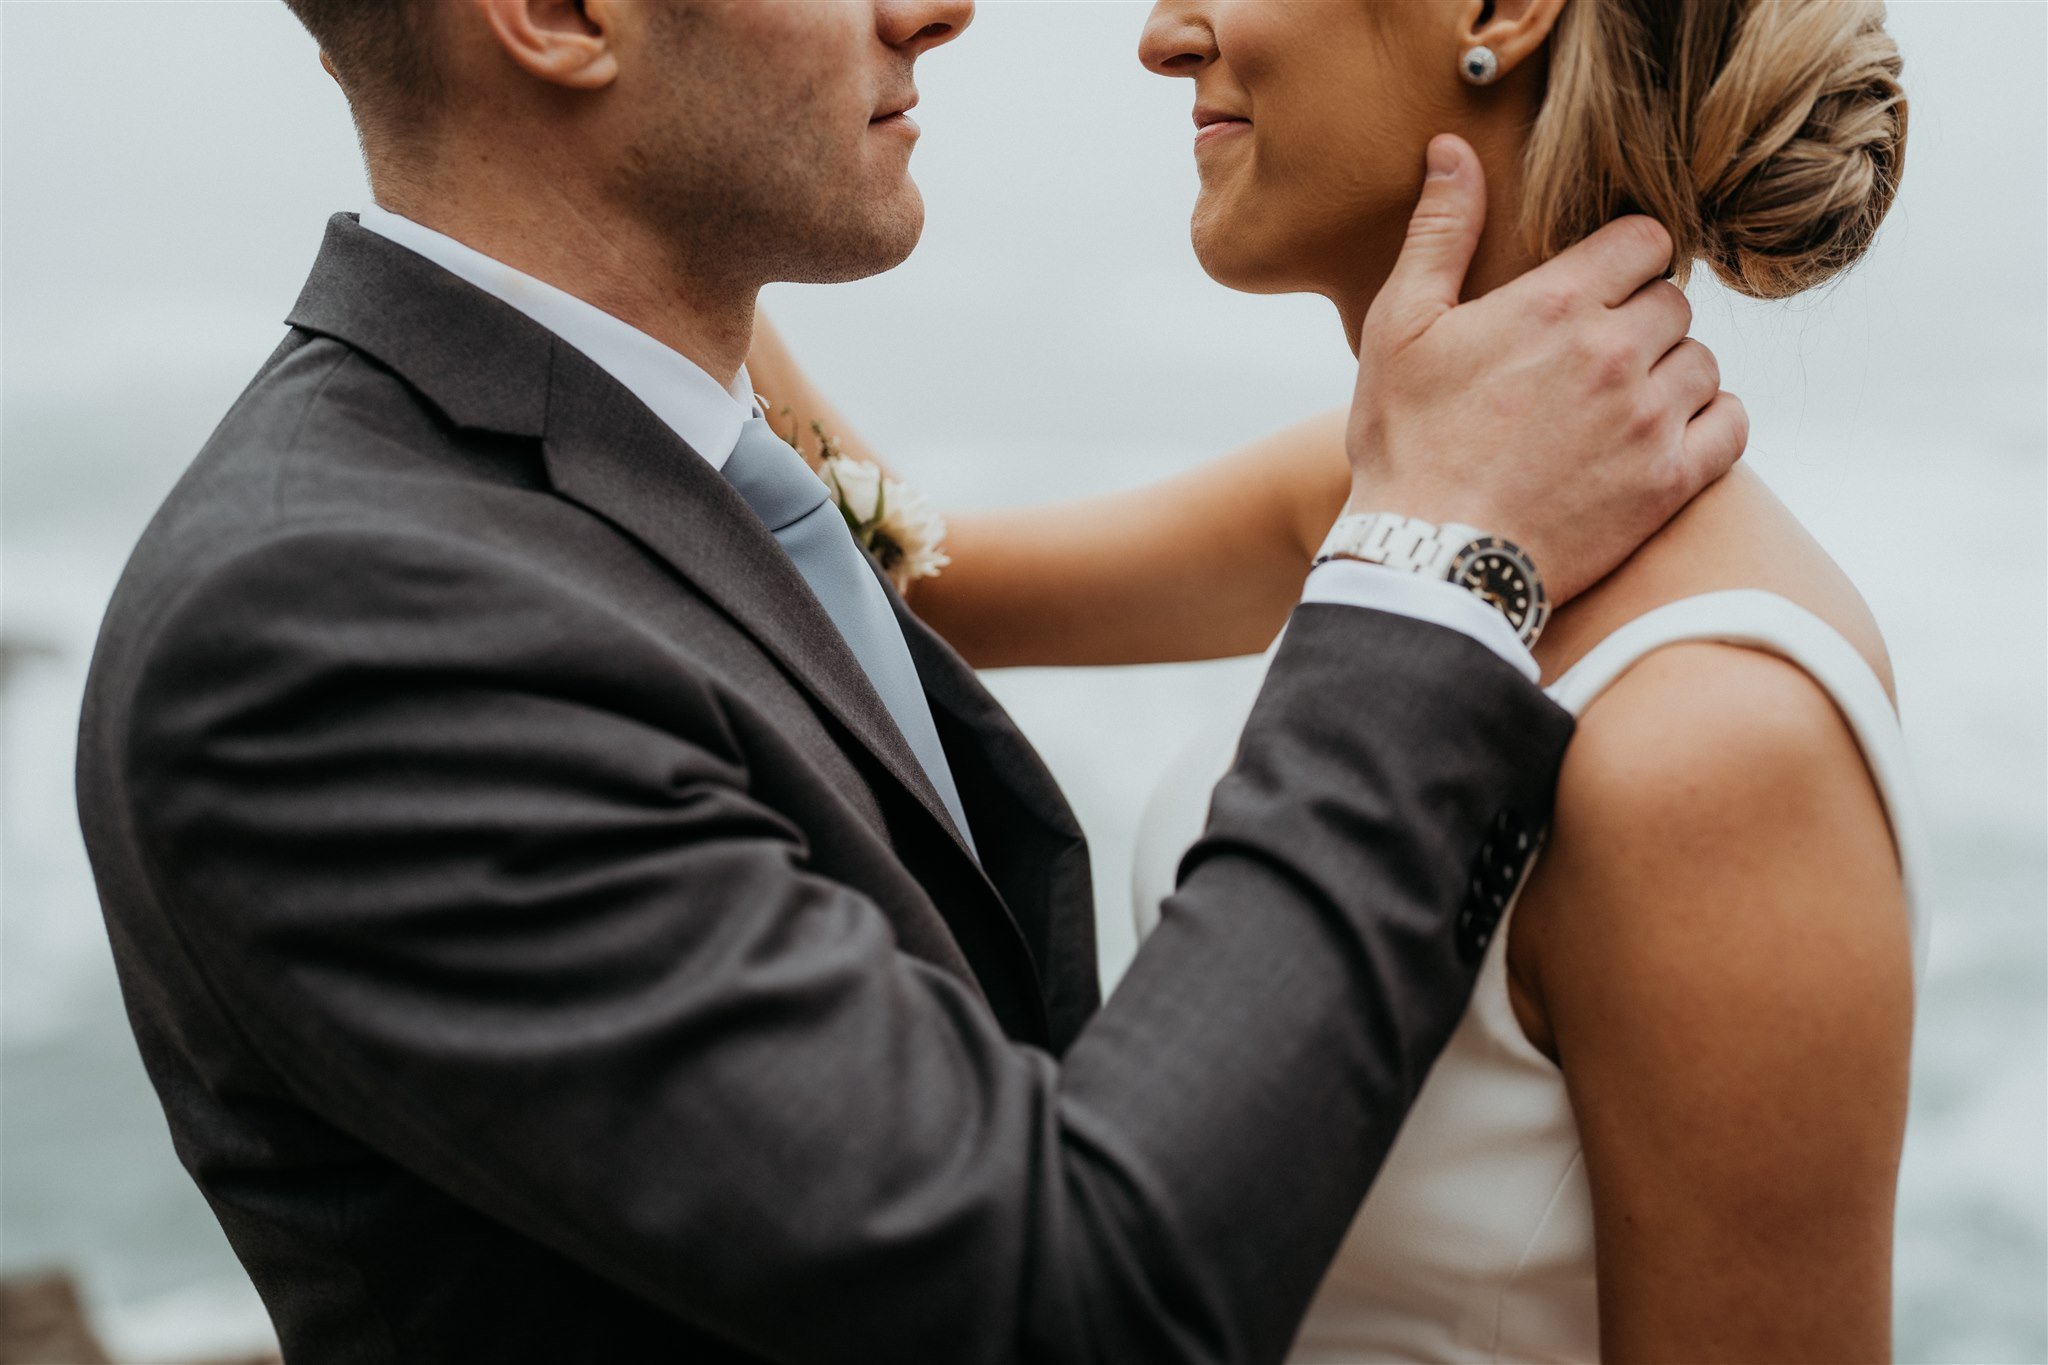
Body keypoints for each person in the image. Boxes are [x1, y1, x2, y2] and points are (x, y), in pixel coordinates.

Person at [73, 1, 1742, 1360]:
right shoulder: (332, 632)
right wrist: (1445, 566)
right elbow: (1065, 1303)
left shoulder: (643, 467)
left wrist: (1445, 473)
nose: (942, 11)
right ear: (564, 17)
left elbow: (931, 585)